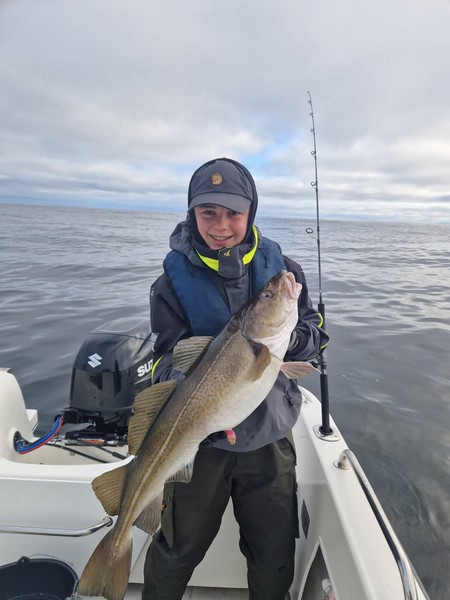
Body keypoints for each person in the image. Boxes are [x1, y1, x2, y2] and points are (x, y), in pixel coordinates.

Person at [142, 157, 328, 600]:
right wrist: (201, 388)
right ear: (192, 214)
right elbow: (161, 361)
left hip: (267, 440)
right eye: (208, 213)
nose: (221, 225)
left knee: (273, 552)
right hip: (199, 443)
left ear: (251, 212)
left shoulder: (284, 270)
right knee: (175, 550)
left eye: (233, 213)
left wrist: (298, 340)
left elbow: (317, 333)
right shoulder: (169, 284)